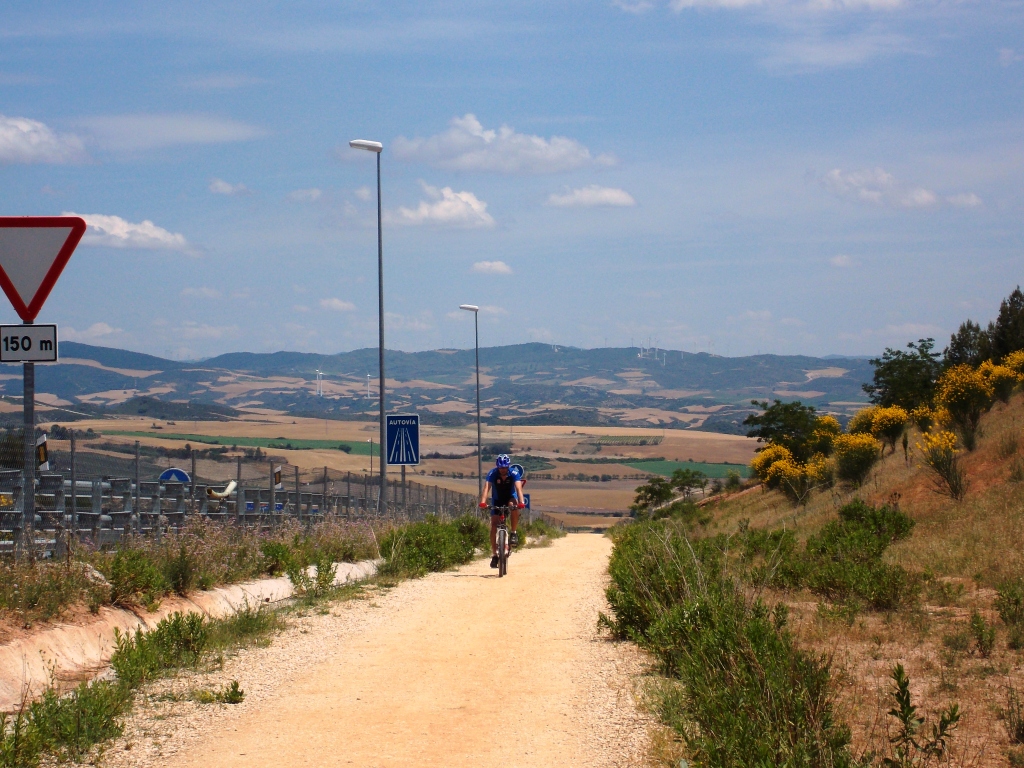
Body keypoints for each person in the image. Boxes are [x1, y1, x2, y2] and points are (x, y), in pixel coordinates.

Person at [479, 454, 525, 568]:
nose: (503, 470)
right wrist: (483, 502)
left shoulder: (514, 473)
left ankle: (513, 533)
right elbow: (486, 488)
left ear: (508, 466)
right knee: (494, 525)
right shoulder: (492, 473)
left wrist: (521, 502)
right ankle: (494, 555)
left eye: (505, 467)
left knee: (514, 506)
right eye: (500, 467)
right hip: (497, 500)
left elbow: (519, 488)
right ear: (497, 467)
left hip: (510, 498)